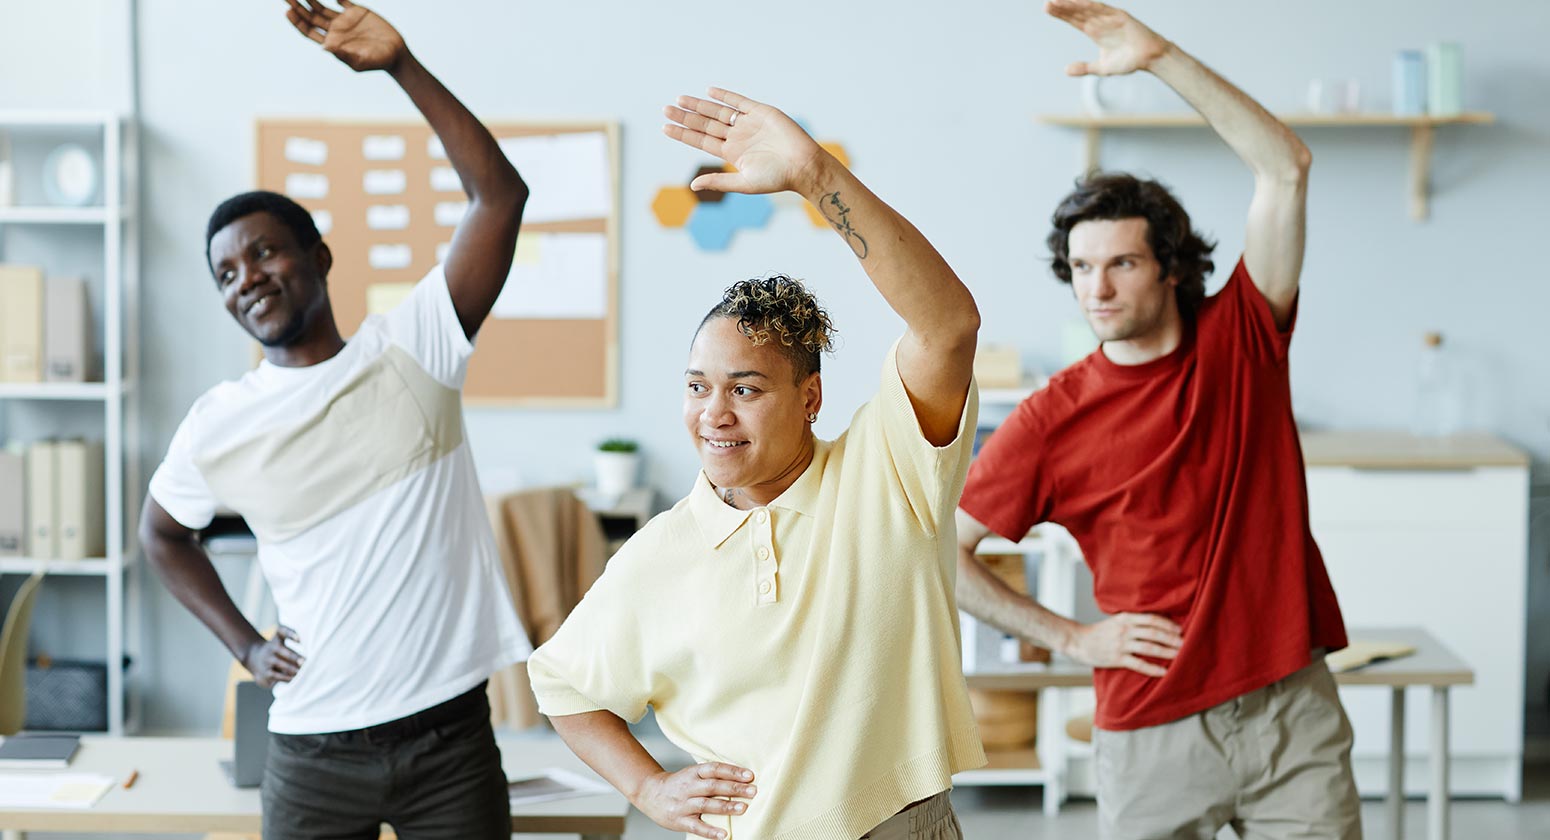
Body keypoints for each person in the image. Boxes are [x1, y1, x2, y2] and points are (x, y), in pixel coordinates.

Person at [527, 88, 985, 840]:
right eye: (698, 386)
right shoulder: (661, 552)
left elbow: (947, 325)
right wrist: (648, 788)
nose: (715, 412)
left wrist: (815, 175)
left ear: (810, 397)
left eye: (746, 388)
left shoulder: (888, 475)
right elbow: (564, 686)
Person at [954, 2, 1360, 838]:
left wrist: (1160, 58)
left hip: (1293, 710)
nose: (1096, 288)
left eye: (1122, 263)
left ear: (1170, 267)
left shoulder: (1243, 335)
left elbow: (1284, 167)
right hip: (1151, 730)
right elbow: (934, 552)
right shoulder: (1048, 418)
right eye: (1080, 268)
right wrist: (1072, 639)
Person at [140, 2, 531, 837]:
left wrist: (401, 65)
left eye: (265, 251)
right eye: (226, 272)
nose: (247, 276)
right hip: (312, 756)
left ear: (318, 257)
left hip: (449, 744)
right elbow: (162, 538)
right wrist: (246, 647)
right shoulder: (219, 424)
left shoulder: (417, 346)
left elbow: (499, 197)